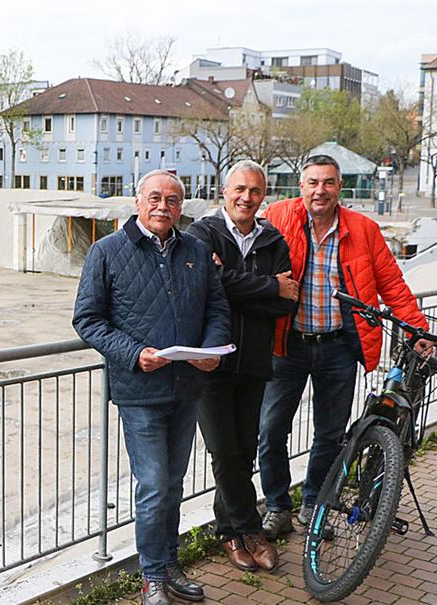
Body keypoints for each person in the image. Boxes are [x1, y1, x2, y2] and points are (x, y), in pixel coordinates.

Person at [73, 169, 230, 605]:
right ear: (137, 201)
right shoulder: (106, 252)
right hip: (139, 389)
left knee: (174, 484)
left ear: (183, 206)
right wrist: (133, 353)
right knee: (155, 484)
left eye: (174, 200)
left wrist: (211, 347)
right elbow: (87, 319)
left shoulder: (196, 250)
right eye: (155, 198)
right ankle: (152, 576)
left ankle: (170, 564)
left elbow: (217, 307)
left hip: (186, 386)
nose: (164, 206)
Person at [257, 155, 430, 539]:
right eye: (313, 182)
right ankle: (276, 505)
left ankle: (313, 505)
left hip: (338, 348)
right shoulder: (278, 216)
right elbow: (241, 247)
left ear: (340, 188)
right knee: (270, 429)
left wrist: (418, 330)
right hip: (287, 344)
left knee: (330, 434)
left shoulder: (363, 230)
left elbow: (393, 285)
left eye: (329, 183)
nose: (321, 190)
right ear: (300, 186)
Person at [184, 160, 296, 573]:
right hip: (210, 362)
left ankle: (226, 530)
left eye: (254, 191)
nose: (246, 198)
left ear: (263, 196)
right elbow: (205, 287)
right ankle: (249, 531)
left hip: (253, 362)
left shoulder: (272, 240)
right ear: (224, 191)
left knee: (242, 450)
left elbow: (288, 301)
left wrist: (231, 284)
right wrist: (266, 286)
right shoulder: (201, 233)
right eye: (239, 189)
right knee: (225, 451)